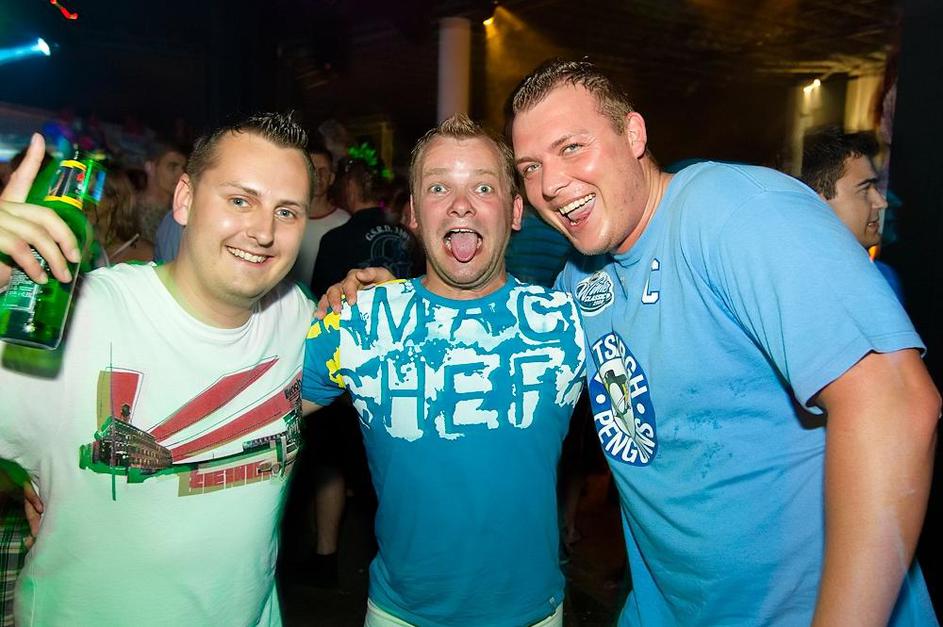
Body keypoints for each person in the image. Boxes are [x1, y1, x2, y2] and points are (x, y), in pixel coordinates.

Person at [325, 60, 940, 626]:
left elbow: (894, 402)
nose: (552, 183)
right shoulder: (576, 284)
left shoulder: (731, 211)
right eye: (531, 167)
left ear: (634, 134)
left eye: (572, 147)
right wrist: (383, 300)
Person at [0, 112, 315, 626]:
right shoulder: (78, 317)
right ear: (184, 199)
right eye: (240, 200)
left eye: (287, 211)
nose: (263, 231)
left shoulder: (296, 317)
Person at [303, 114, 586, 626]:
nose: (461, 204)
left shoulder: (568, 323)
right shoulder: (359, 320)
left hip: (533, 615)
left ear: (515, 211)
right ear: (413, 214)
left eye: (483, 187)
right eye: (438, 187)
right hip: (400, 615)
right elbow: (253, 413)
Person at [801, 126, 903, 301]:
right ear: (819, 199)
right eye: (864, 189)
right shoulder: (801, 285)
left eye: (876, 188)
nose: (882, 203)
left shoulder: (883, 276)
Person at [287, 144, 349, 286]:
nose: (318, 176)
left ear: (331, 178)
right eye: (313, 170)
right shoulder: (286, 218)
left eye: (323, 171)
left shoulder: (344, 222)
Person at [90, 166, 155, 265]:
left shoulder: (145, 254)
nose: (83, 201)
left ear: (113, 201)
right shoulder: (86, 244)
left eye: (92, 194)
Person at [136, 141, 187, 244]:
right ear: (150, 168)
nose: (181, 174)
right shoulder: (131, 211)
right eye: (172, 167)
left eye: (183, 168)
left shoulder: (182, 213)